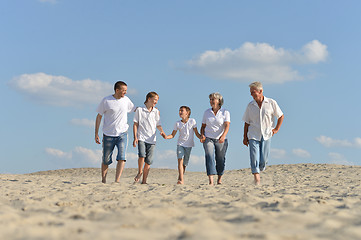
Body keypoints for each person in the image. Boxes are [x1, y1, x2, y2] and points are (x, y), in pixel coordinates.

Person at [242, 81, 284, 185]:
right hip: (253, 135)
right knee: (254, 157)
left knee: (263, 161)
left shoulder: (271, 103)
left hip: (267, 134)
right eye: (250, 92)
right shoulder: (250, 105)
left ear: (260, 91)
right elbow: (246, 122)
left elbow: (281, 116)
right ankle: (257, 180)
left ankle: (259, 169)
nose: (251, 94)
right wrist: (245, 137)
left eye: (253, 92)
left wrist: (276, 129)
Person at [95, 81, 135, 183]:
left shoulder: (126, 100)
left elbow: (135, 109)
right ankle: (103, 180)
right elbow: (99, 116)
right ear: (117, 90)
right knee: (106, 159)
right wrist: (96, 133)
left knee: (122, 157)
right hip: (108, 134)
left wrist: (149, 108)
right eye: (123, 90)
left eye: (126, 90)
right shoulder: (106, 100)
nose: (125, 93)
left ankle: (117, 180)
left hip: (122, 133)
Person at [133, 92, 166, 184]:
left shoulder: (156, 111)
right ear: (148, 99)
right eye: (155, 99)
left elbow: (158, 124)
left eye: (157, 100)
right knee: (142, 155)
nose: (156, 102)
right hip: (141, 137)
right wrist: (135, 137)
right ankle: (140, 172)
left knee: (149, 161)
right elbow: (135, 124)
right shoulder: (139, 110)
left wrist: (162, 132)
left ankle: (144, 181)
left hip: (152, 139)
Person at [165, 106, 204, 184]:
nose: (180, 112)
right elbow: (172, 135)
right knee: (180, 161)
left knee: (185, 164)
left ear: (187, 112)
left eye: (182, 111)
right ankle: (182, 180)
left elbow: (196, 133)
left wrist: (201, 137)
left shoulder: (192, 121)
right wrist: (166, 137)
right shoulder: (177, 123)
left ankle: (180, 177)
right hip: (180, 144)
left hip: (189, 145)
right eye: (179, 111)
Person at [200, 93, 230, 185]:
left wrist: (223, 136)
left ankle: (219, 178)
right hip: (208, 138)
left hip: (221, 139)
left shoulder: (225, 112)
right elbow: (203, 126)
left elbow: (227, 125)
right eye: (210, 99)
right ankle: (211, 181)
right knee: (209, 156)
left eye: (213, 99)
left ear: (219, 101)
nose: (211, 101)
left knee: (220, 158)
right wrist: (202, 135)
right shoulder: (207, 112)